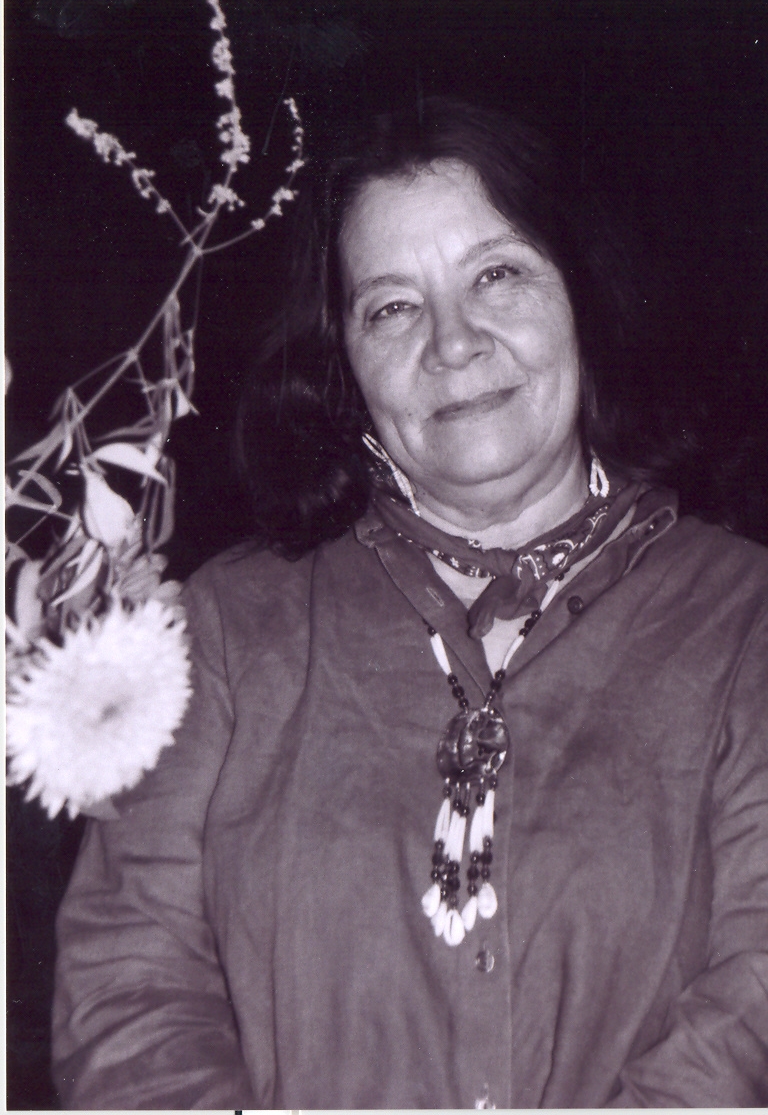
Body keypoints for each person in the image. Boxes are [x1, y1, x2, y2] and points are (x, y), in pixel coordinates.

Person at [53, 98, 768, 1108]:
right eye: (392, 305)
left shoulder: (743, 621)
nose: (453, 343)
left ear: (584, 298)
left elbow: (754, 1011)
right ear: (342, 357)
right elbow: (127, 995)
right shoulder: (220, 630)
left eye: (498, 275)